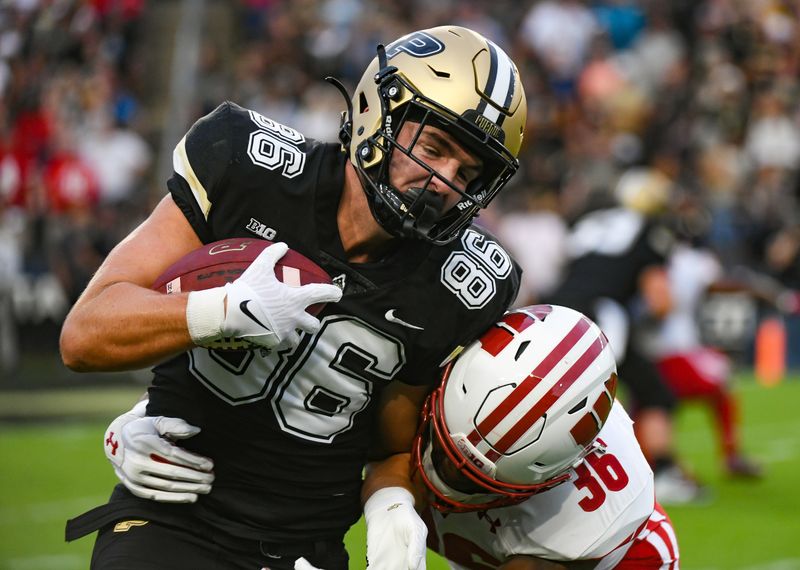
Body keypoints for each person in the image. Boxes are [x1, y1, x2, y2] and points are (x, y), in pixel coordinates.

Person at [61, 25, 526, 570]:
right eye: (433, 147)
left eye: (468, 172)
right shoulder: (249, 168)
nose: (444, 180)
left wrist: (394, 505)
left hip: (306, 551)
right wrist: (220, 313)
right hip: (173, 520)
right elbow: (84, 334)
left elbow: (391, 448)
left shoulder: (458, 283)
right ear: (380, 113)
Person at [102, 304, 680, 568]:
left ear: (540, 482)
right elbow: (306, 402)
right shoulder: (433, 354)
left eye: (466, 478)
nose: (435, 476)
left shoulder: (584, 523)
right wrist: (158, 413)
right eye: (440, 448)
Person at [409, 304, 680, 568]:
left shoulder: (595, 513)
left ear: (554, 476)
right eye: (443, 449)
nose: (447, 476)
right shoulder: (429, 359)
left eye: (473, 481)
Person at [545, 167, 704, 505]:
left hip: (554, 310)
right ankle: (659, 471)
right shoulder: (650, 229)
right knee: (652, 394)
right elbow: (660, 300)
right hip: (602, 315)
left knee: (554, 396)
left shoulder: (589, 221)